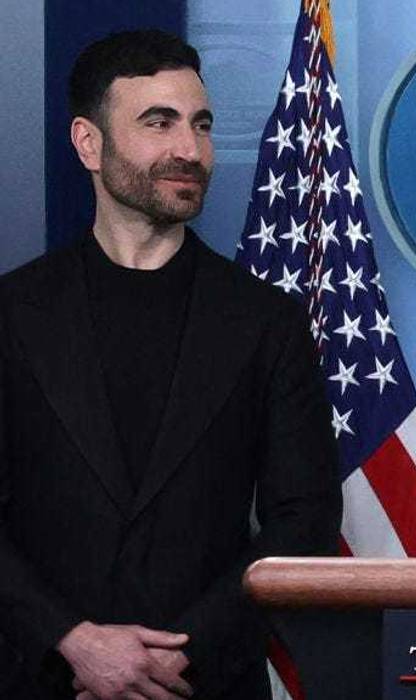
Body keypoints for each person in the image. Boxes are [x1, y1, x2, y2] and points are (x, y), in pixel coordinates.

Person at [0, 30, 342, 700]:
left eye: (201, 125)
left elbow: (303, 521)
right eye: (158, 123)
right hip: (37, 680)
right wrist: (72, 640)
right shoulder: (11, 313)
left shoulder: (268, 321)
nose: (190, 150)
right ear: (88, 143)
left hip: (205, 683)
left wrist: (177, 658)